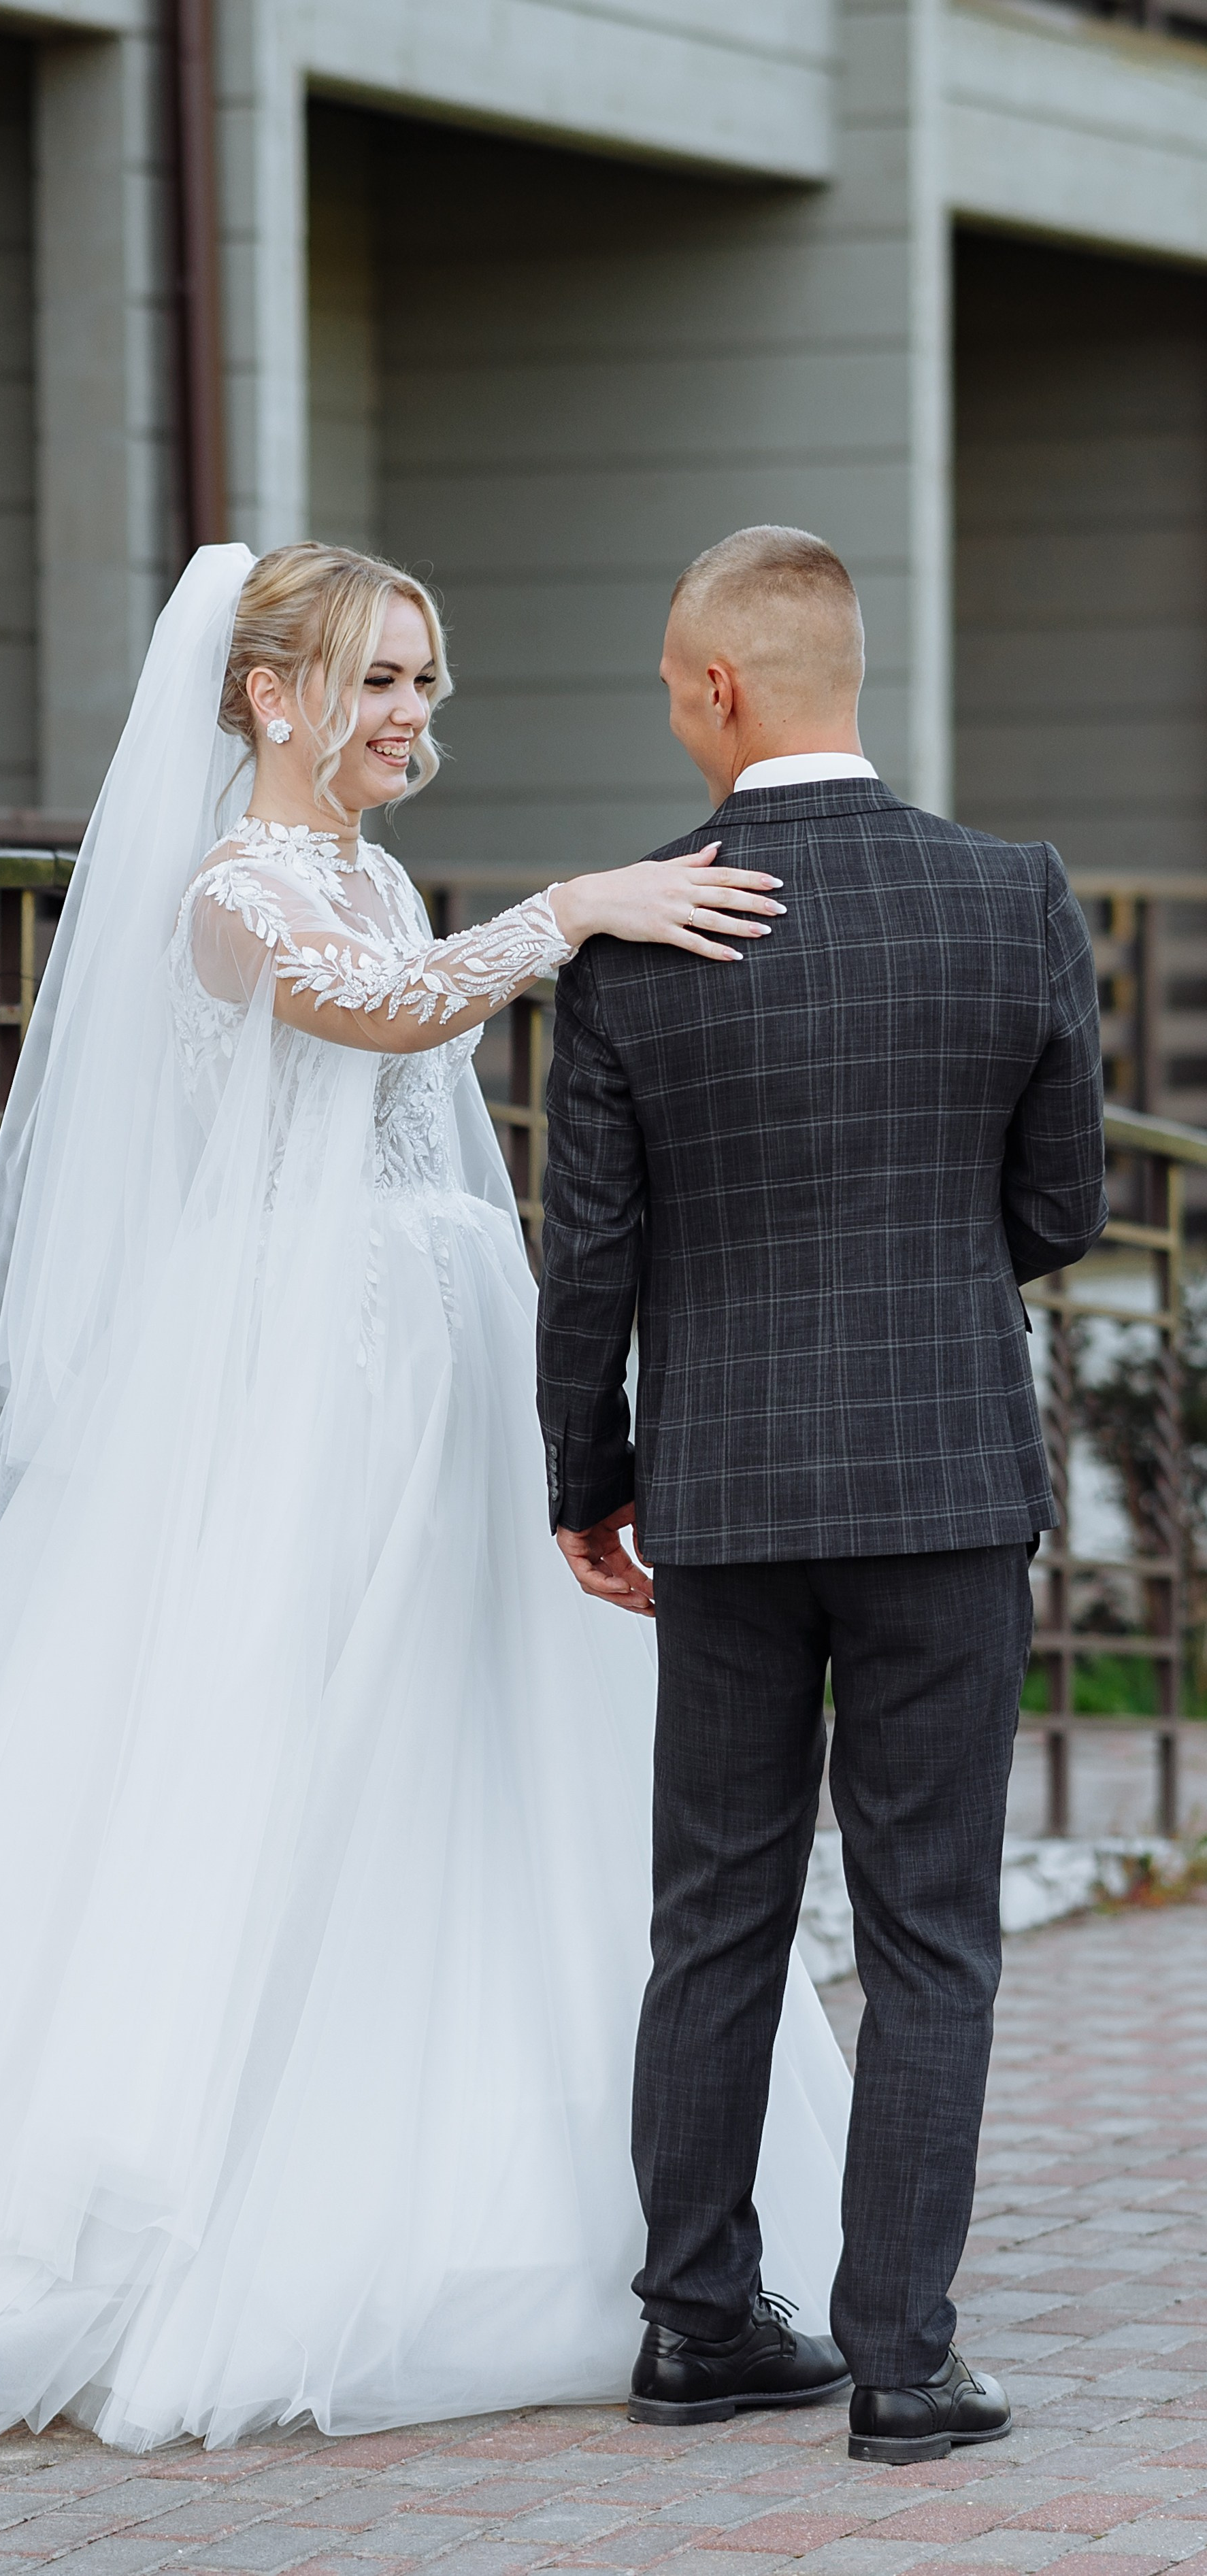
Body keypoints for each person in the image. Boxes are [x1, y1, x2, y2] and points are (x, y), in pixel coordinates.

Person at [0, 540, 850, 2454]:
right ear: (269, 693)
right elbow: (377, 1014)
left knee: (460, 1751)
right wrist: (570, 911)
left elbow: (421, 1059)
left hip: (432, 1359)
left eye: (428, 687)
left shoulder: (372, 869)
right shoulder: (234, 890)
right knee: (277, 1737)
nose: (413, 720)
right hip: (292, 1385)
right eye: (379, 681)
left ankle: (518, 2172)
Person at [538, 524, 1107, 2465]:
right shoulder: (1012, 895)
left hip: (724, 1493)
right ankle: (908, 2364)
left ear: (717, 688)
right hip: (949, 1469)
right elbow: (1062, 1206)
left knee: (716, 1916)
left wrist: (586, 1480)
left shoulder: (634, 935)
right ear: (843, 674)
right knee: (932, 1925)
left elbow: (589, 1259)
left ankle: (697, 2321)